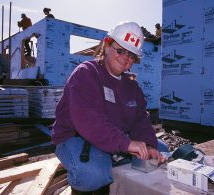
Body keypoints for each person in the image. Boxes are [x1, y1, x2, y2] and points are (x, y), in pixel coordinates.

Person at [52, 21, 168, 194]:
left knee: (161, 150)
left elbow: (140, 121)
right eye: (120, 50)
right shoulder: (86, 73)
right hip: (77, 137)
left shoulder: (132, 87)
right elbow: (88, 120)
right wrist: (126, 144)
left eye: (131, 55)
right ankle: (81, 181)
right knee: (94, 175)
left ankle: (112, 156)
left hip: (113, 135)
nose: (125, 58)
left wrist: (149, 144)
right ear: (106, 45)